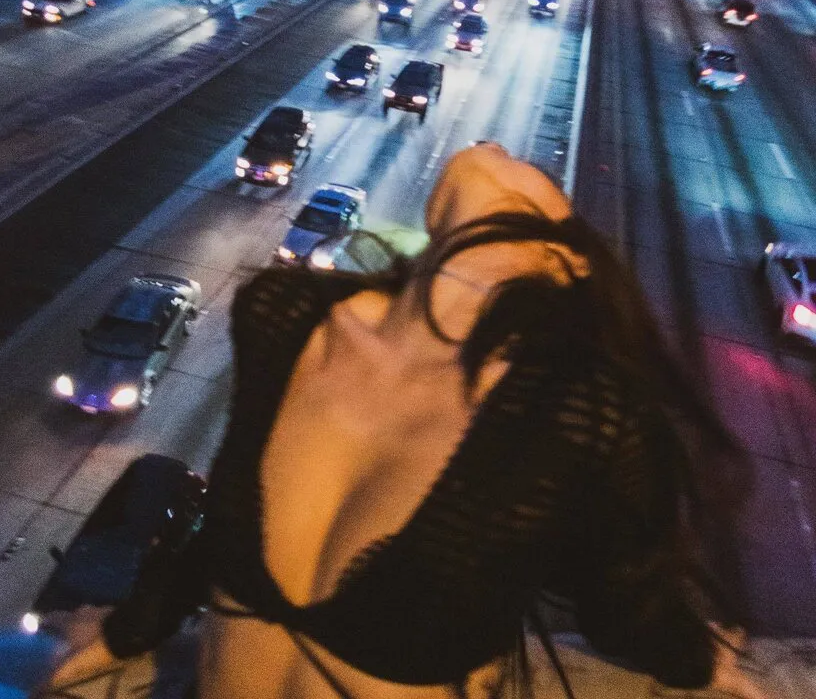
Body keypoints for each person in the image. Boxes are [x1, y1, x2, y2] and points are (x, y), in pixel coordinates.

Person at [37, 143, 758, 699]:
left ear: (563, 260)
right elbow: (221, 527)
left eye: (531, 183)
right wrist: (127, 633)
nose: (498, 151)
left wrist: (699, 662)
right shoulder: (285, 315)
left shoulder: (577, 414)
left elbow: (624, 605)